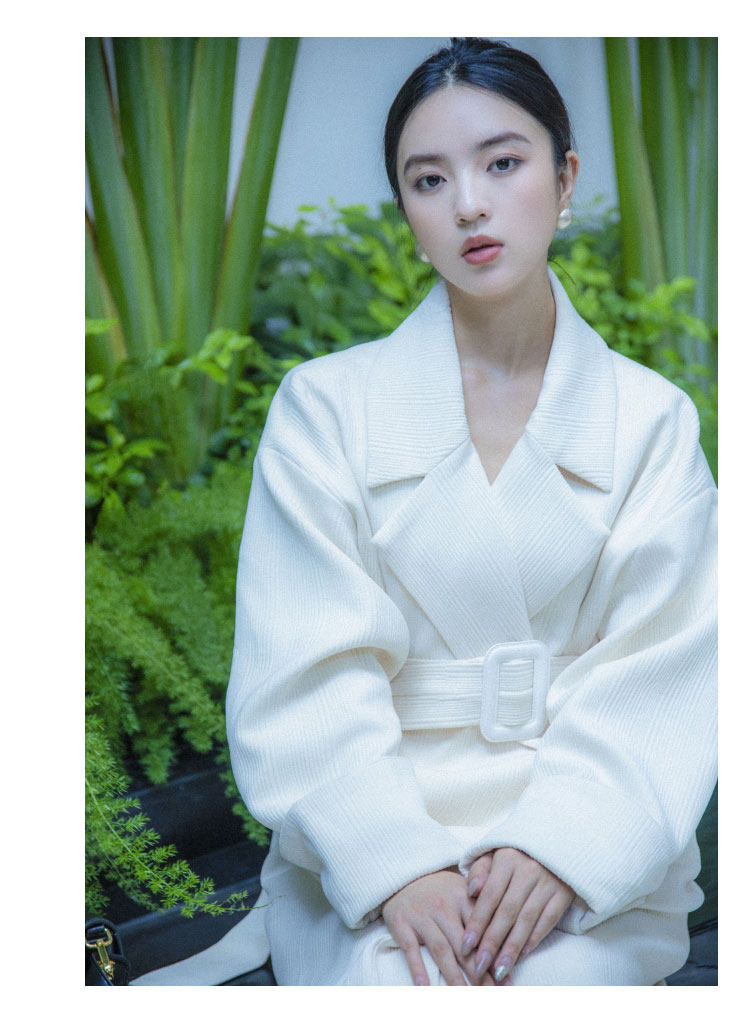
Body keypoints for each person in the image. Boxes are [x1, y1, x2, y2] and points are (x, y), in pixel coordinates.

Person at [219, 38, 716, 987]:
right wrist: (396, 866)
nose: (469, 205)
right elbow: (301, 674)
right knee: (399, 985)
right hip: (366, 854)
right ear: (407, 214)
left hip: (591, 855)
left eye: (503, 163)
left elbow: (669, 669)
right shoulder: (324, 409)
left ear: (564, 179)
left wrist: (561, 849)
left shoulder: (652, 421)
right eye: (429, 180)